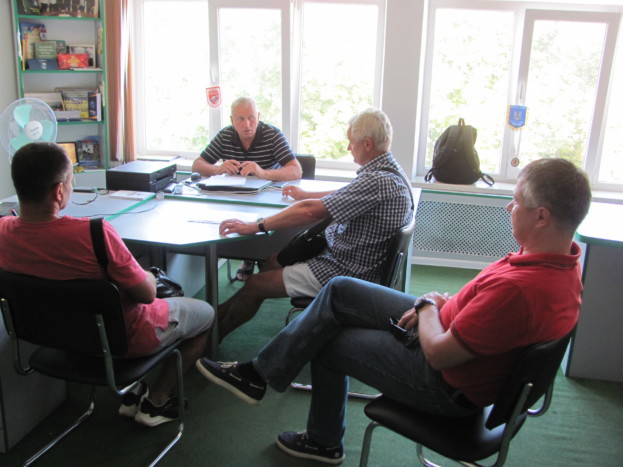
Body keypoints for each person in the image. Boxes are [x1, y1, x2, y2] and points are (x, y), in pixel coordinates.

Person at [196, 157, 591, 464]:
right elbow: (483, 309)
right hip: (448, 329)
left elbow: (439, 354)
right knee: (339, 289)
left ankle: (322, 440)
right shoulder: (564, 264)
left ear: (542, 216)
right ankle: (258, 375)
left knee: (326, 340)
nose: (508, 207)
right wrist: (440, 303)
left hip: (443, 382)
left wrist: (427, 305)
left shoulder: (520, 289)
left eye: (517, 201)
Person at [0, 142, 214, 428]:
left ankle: (133, 389)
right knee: (205, 313)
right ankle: (157, 401)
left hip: (55, 336)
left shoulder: (3, 232)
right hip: (123, 338)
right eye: (71, 181)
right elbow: (146, 294)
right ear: (59, 191)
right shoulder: (93, 234)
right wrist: (149, 275)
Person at [215, 107, 413, 342]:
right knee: (273, 261)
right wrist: (307, 194)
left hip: (345, 272)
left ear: (367, 144)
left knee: (257, 283)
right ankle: (217, 316)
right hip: (349, 260)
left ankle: (210, 338)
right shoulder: (390, 172)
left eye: (351, 142)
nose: (349, 147)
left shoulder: (378, 181)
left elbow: (309, 212)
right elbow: (347, 193)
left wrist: (255, 226)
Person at [192, 97, 302, 280]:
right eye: (241, 119)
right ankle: (248, 257)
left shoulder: (272, 134)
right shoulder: (225, 135)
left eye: (251, 118)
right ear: (232, 120)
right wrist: (217, 169)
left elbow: (296, 171)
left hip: (267, 198)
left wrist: (262, 172)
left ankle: (259, 258)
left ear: (258, 116)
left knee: (265, 225)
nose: (247, 124)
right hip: (235, 198)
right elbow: (197, 165)